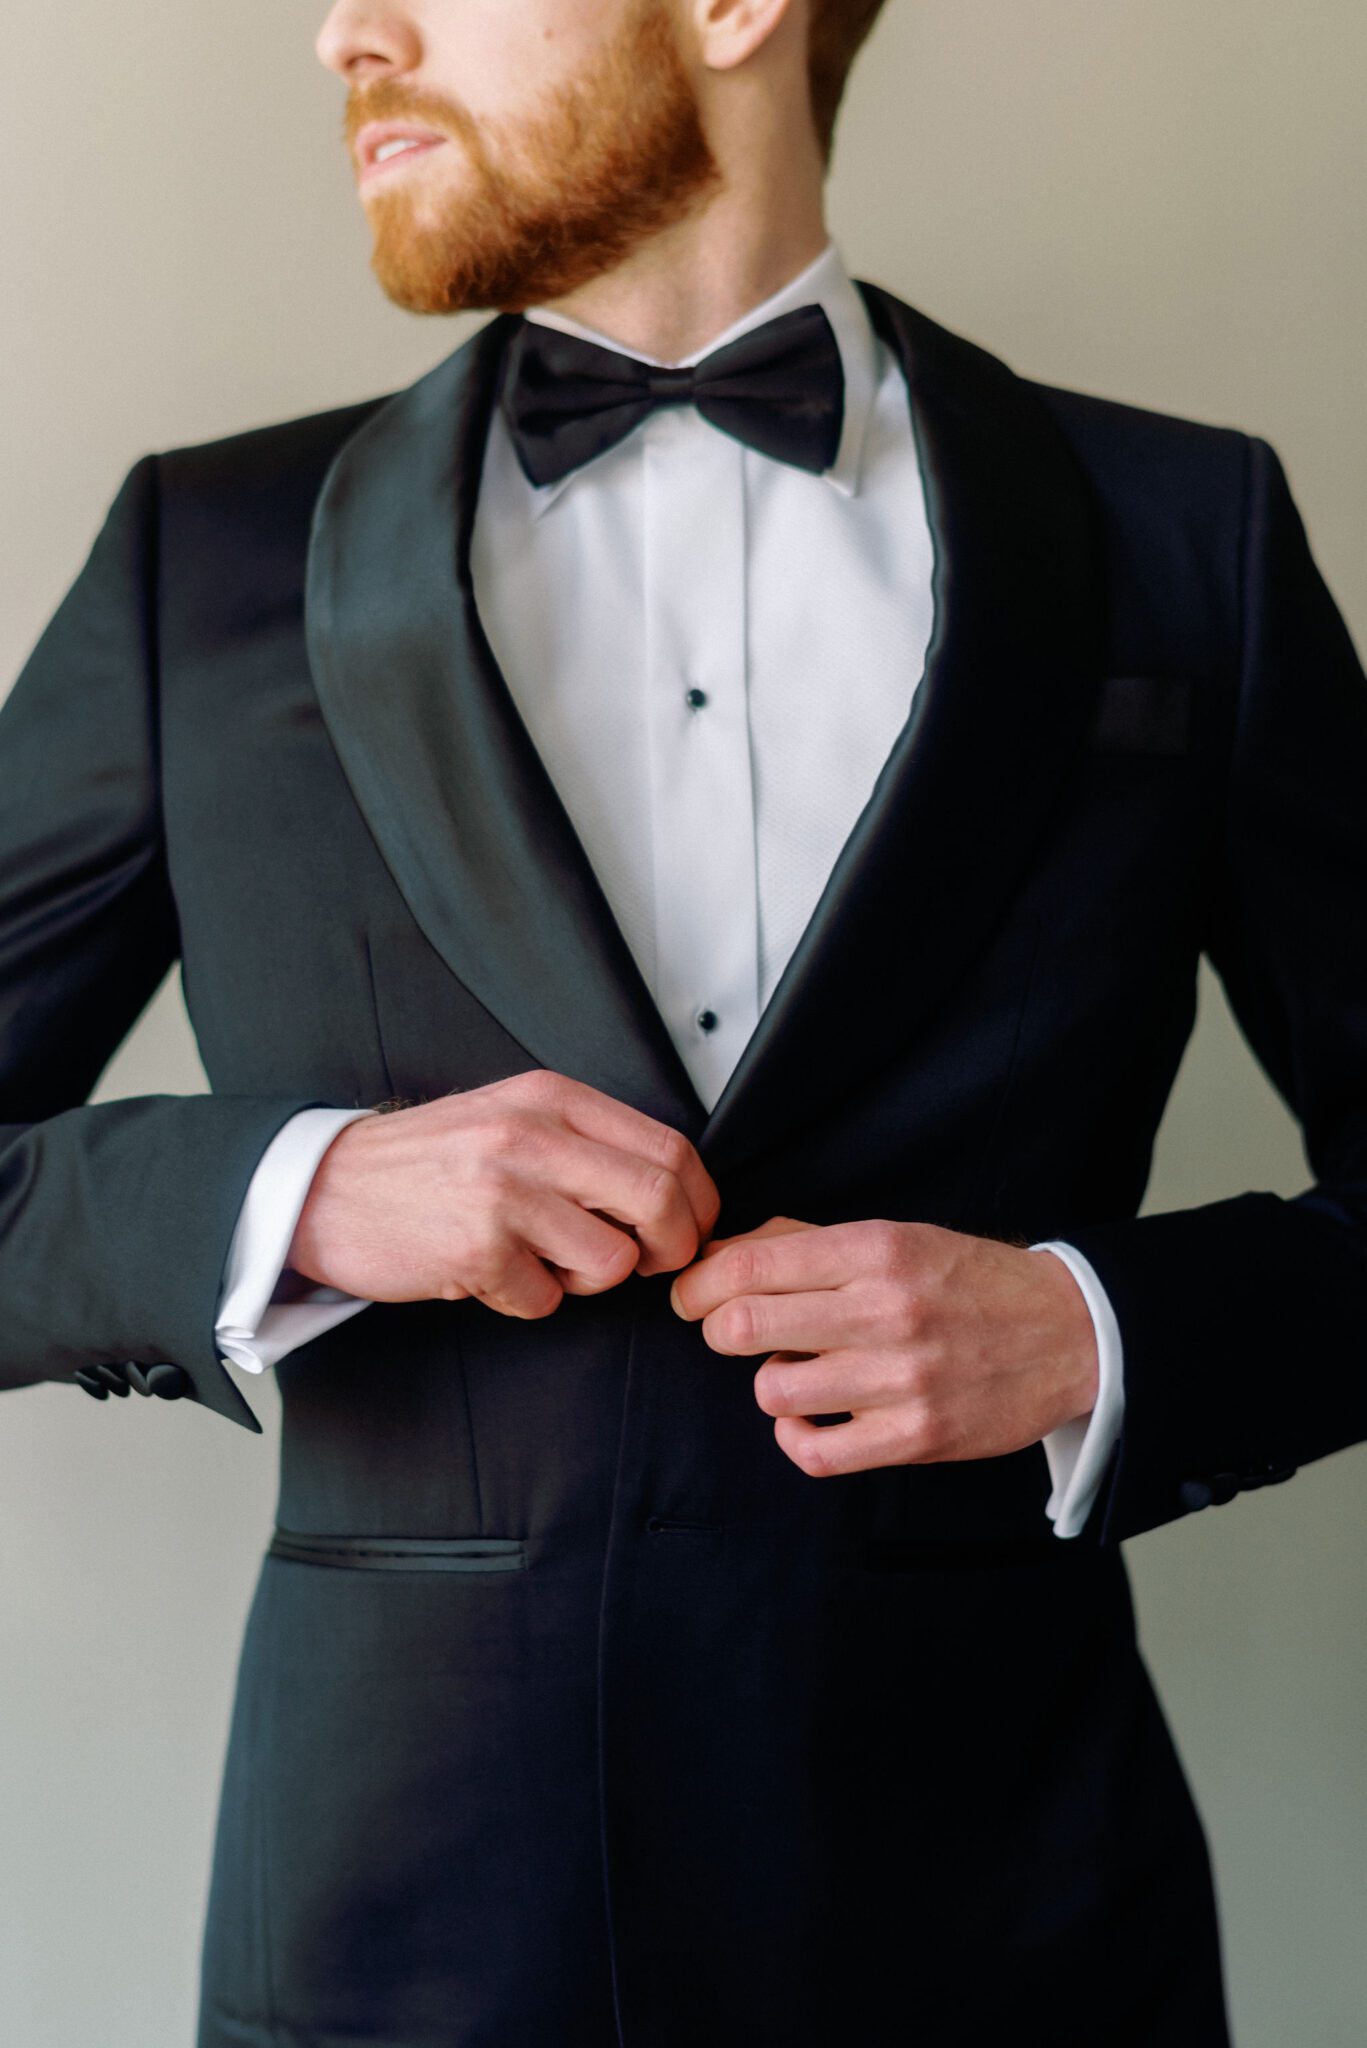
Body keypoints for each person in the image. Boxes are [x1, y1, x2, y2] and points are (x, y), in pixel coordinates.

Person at [1, 0, 1363, 2041]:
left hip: (1008, 1941)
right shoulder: (197, 567)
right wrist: (300, 1191)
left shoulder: (1188, 539)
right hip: (404, 1955)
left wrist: (1090, 1335)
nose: (339, 33)